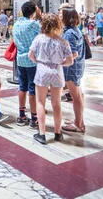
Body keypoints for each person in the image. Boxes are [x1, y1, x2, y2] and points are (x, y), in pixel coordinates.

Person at [29, 13, 74, 145]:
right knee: (56, 103)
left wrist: (39, 62)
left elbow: (30, 54)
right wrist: (60, 64)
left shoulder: (39, 39)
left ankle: (42, 134)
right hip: (57, 71)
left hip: (42, 71)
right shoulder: (63, 41)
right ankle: (58, 133)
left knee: (40, 103)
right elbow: (70, 60)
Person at [14, 1, 42, 127]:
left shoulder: (16, 24)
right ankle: (34, 118)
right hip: (32, 60)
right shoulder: (34, 24)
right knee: (32, 89)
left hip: (20, 59)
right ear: (33, 11)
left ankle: (21, 115)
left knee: (22, 87)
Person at [61, 7, 86, 133]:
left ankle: (79, 124)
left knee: (76, 96)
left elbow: (73, 54)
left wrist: (60, 63)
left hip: (72, 68)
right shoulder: (73, 30)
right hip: (75, 66)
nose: (59, 16)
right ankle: (79, 119)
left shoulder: (70, 33)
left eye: (61, 14)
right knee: (78, 94)